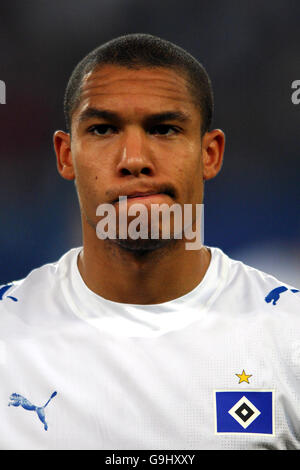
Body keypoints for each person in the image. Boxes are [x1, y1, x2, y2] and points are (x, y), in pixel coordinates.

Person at [0, 33, 299, 450]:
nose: (134, 159)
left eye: (164, 129)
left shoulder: (290, 339)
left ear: (210, 153)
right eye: (103, 129)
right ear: (65, 155)